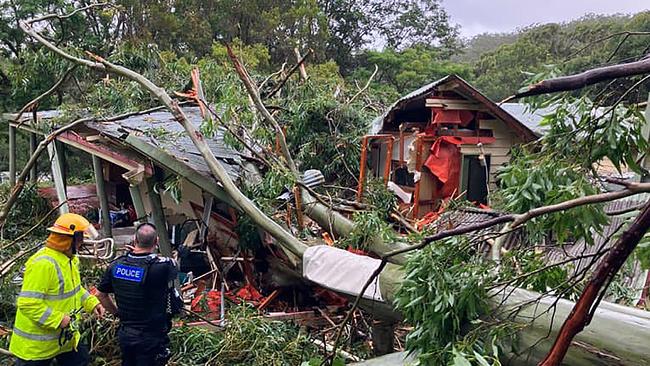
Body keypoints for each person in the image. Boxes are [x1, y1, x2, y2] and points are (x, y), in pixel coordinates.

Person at [10, 213, 105, 365]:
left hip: (65, 338)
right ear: (69, 240)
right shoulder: (43, 264)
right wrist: (59, 319)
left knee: (81, 360)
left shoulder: (70, 260)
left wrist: (91, 302)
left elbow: (74, 290)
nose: (82, 243)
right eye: (80, 238)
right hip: (36, 346)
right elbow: (28, 304)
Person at [96, 223, 181, 366]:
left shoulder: (115, 266)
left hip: (126, 334)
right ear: (156, 242)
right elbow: (173, 265)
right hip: (151, 337)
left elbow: (100, 295)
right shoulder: (164, 266)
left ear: (135, 240)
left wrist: (117, 314)